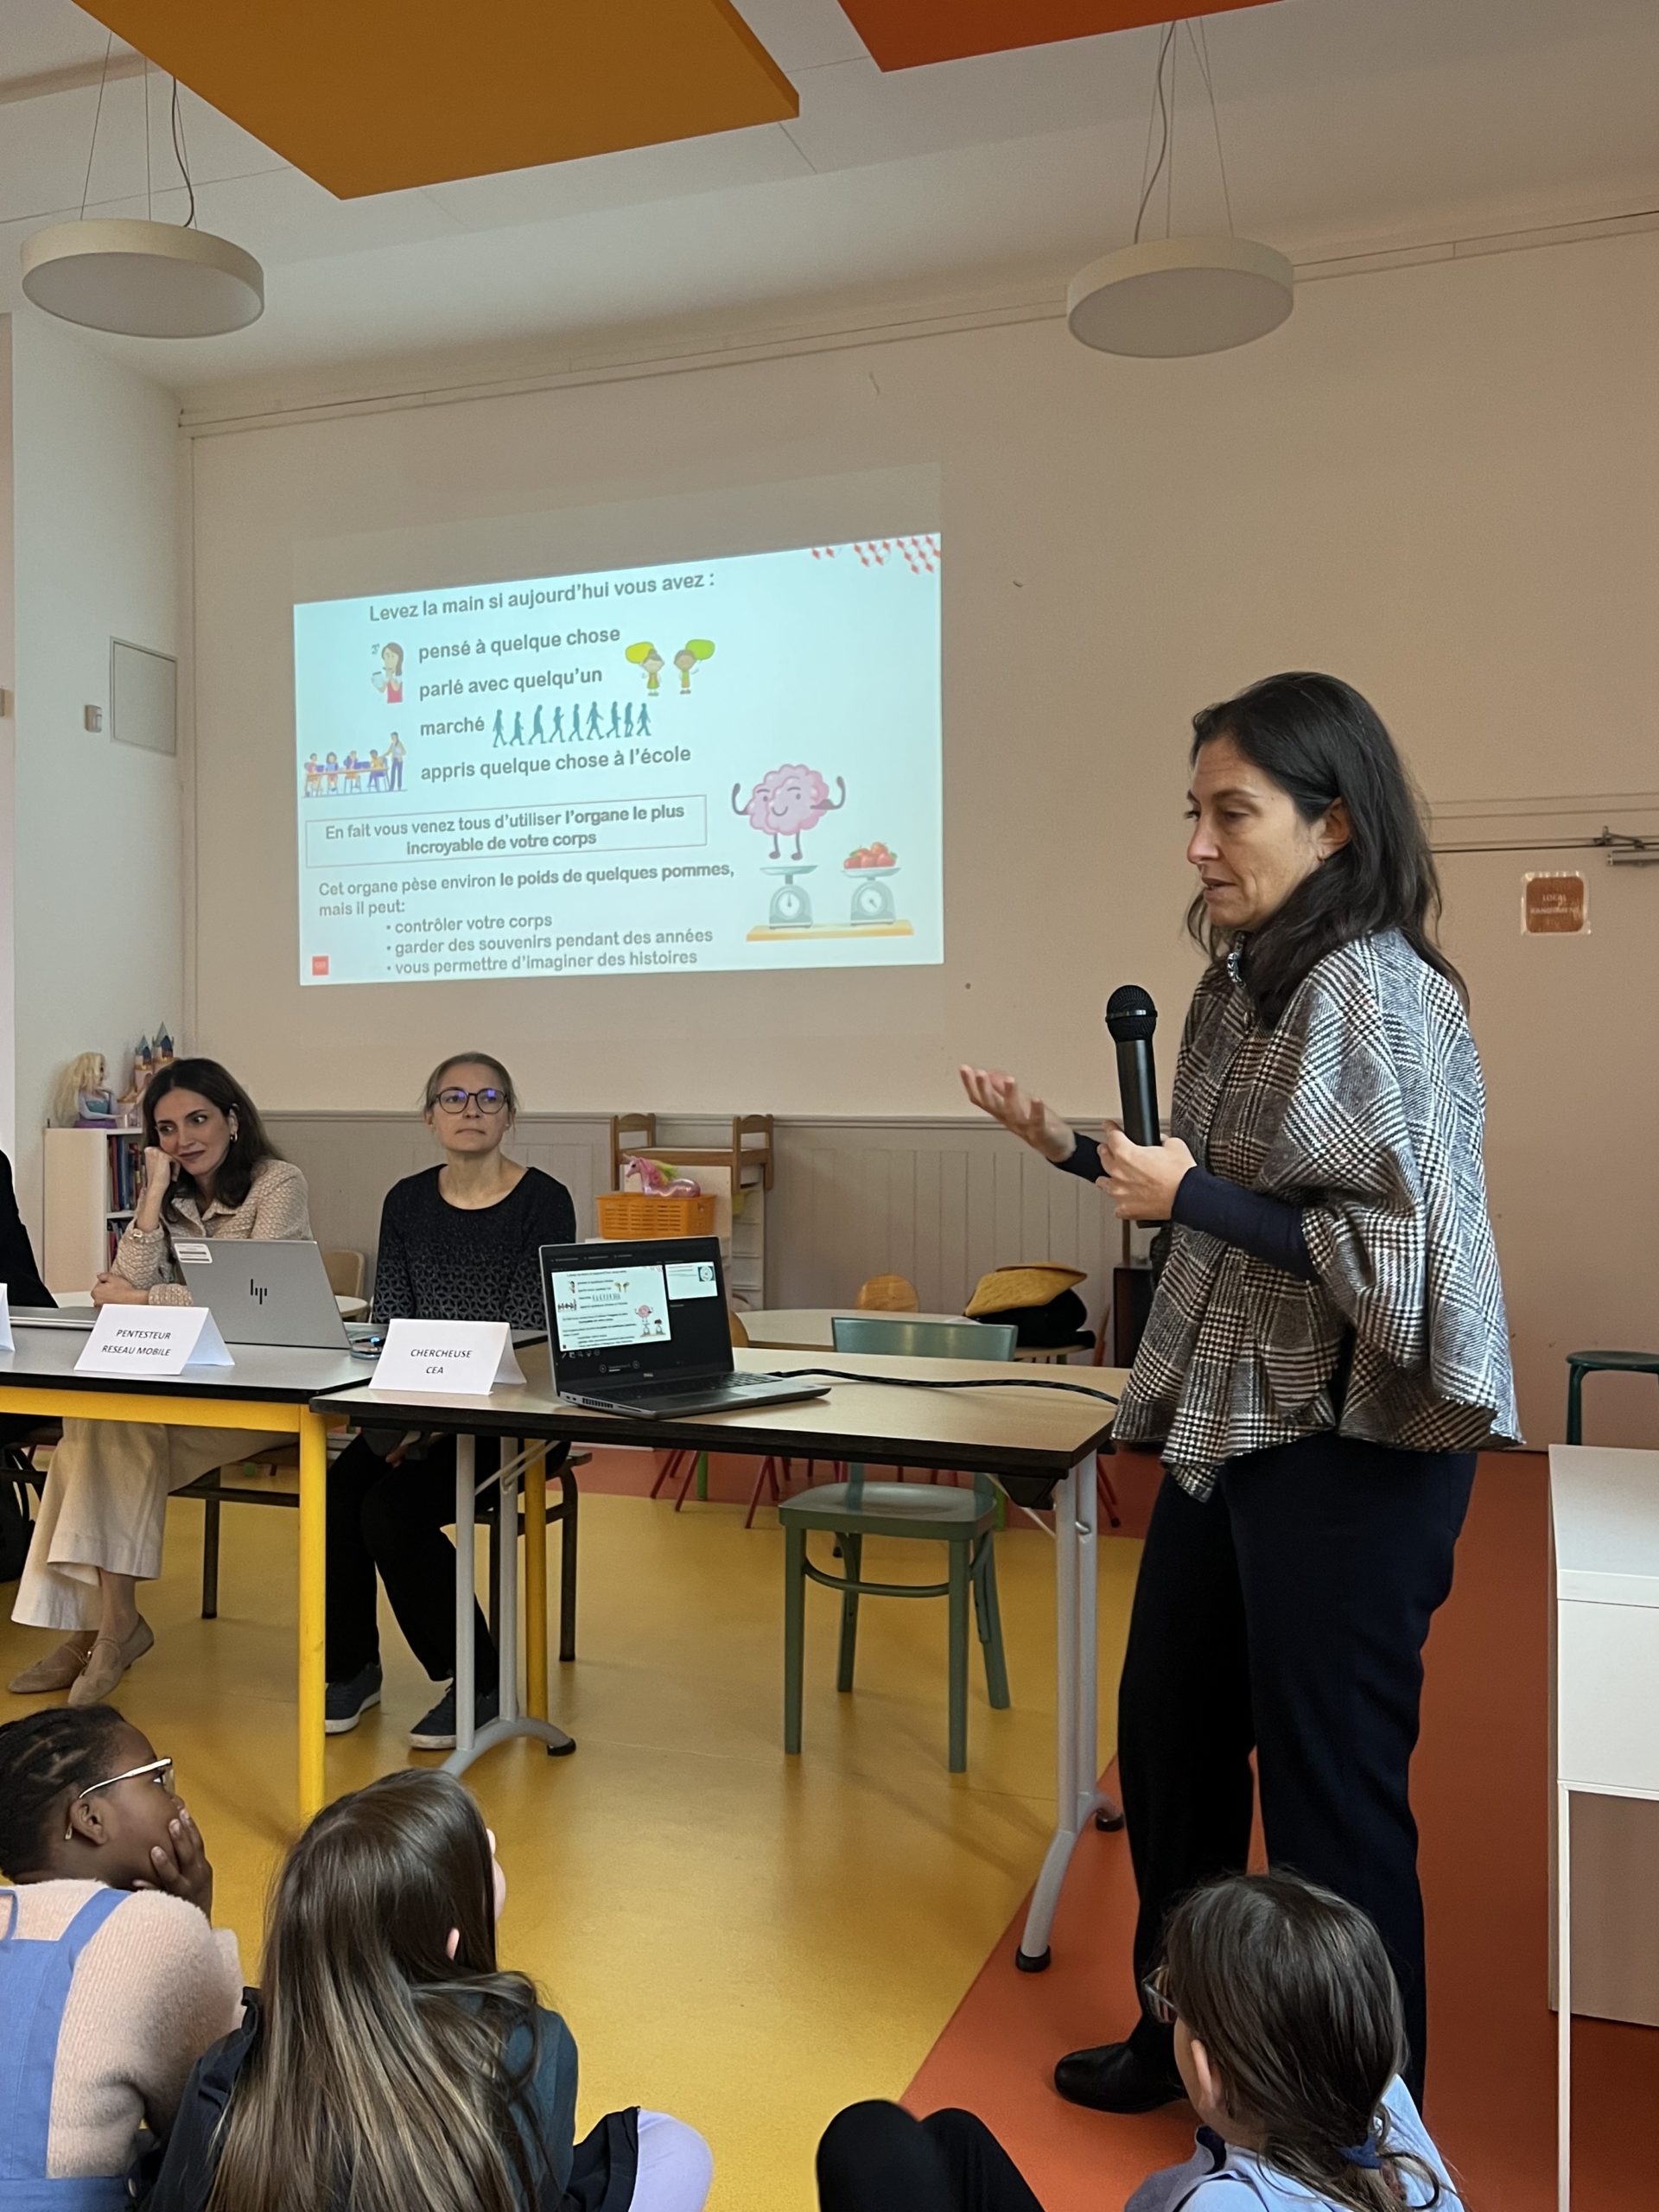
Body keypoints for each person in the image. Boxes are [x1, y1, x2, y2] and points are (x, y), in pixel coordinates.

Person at [961, 672, 1517, 2113]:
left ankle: (1358, 2119)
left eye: (1233, 813)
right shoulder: (1246, 979)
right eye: (1193, 814)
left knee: (1332, 1795)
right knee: (1173, 1739)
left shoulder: (1373, 989)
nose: (1199, 846)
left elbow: (1397, 1270)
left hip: (1357, 1443)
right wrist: (1070, 1146)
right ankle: (1185, 2033)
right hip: (1241, 1421)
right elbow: (1216, 1184)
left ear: (1335, 825)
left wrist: (1189, 1192)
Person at [148, 1768, 711, 2212]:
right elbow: (539, 2187)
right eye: (480, 1856)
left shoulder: (226, 2078)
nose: (492, 1838)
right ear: (449, 1944)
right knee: (675, 2148)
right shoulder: (526, 2047)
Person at [815, 1873, 1459, 2212]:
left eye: (1173, 2007)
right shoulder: (1385, 2116)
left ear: (1205, 2072)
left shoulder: (1225, 2206)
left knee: (867, 2144)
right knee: (953, 2142)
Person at [9, 1059, 310, 1706]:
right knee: (99, 1425)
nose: (183, 1139)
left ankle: (100, 1632)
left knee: (94, 1444)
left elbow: (252, 1302)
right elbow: (120, 1284)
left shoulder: (277, 1183)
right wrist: (150, 1198)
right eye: (167, 1129)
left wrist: (146, 1301)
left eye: (198, 1120)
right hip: (177, 1387)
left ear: (232, 1120)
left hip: (258, 1394)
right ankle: (113, 1627)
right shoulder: (172, 1192)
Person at [324, 1052, 575, 1750]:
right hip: (415, 1407)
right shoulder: (406, 1201)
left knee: (391, 1511)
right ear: (430, 1116)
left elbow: (528, 1328)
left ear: (509, 1115)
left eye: (488, 1098)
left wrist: (429, 1426)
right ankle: (352, 1667)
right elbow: (392, 1316)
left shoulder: (544, 1200)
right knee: (340, 1493)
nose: (471, 1110)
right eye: (454, 1097)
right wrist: (404, 1423)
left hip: (517, 1416)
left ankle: (482, 1683)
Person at [0, 1707, 243, 2206]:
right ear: (90, 1817)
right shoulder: (157, 1927)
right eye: (156, 1778)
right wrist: (198, 1919)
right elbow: (215, 2120)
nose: (177, 1800)